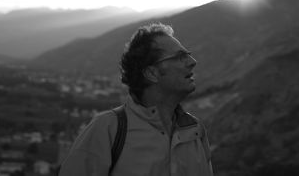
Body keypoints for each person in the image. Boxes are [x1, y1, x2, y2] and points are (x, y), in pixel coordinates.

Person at [59, 23, 213, 176]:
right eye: (180, 57)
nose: (193, 61)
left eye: (188, 54)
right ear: (152, 73)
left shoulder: (194, 130)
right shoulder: (106, 130)